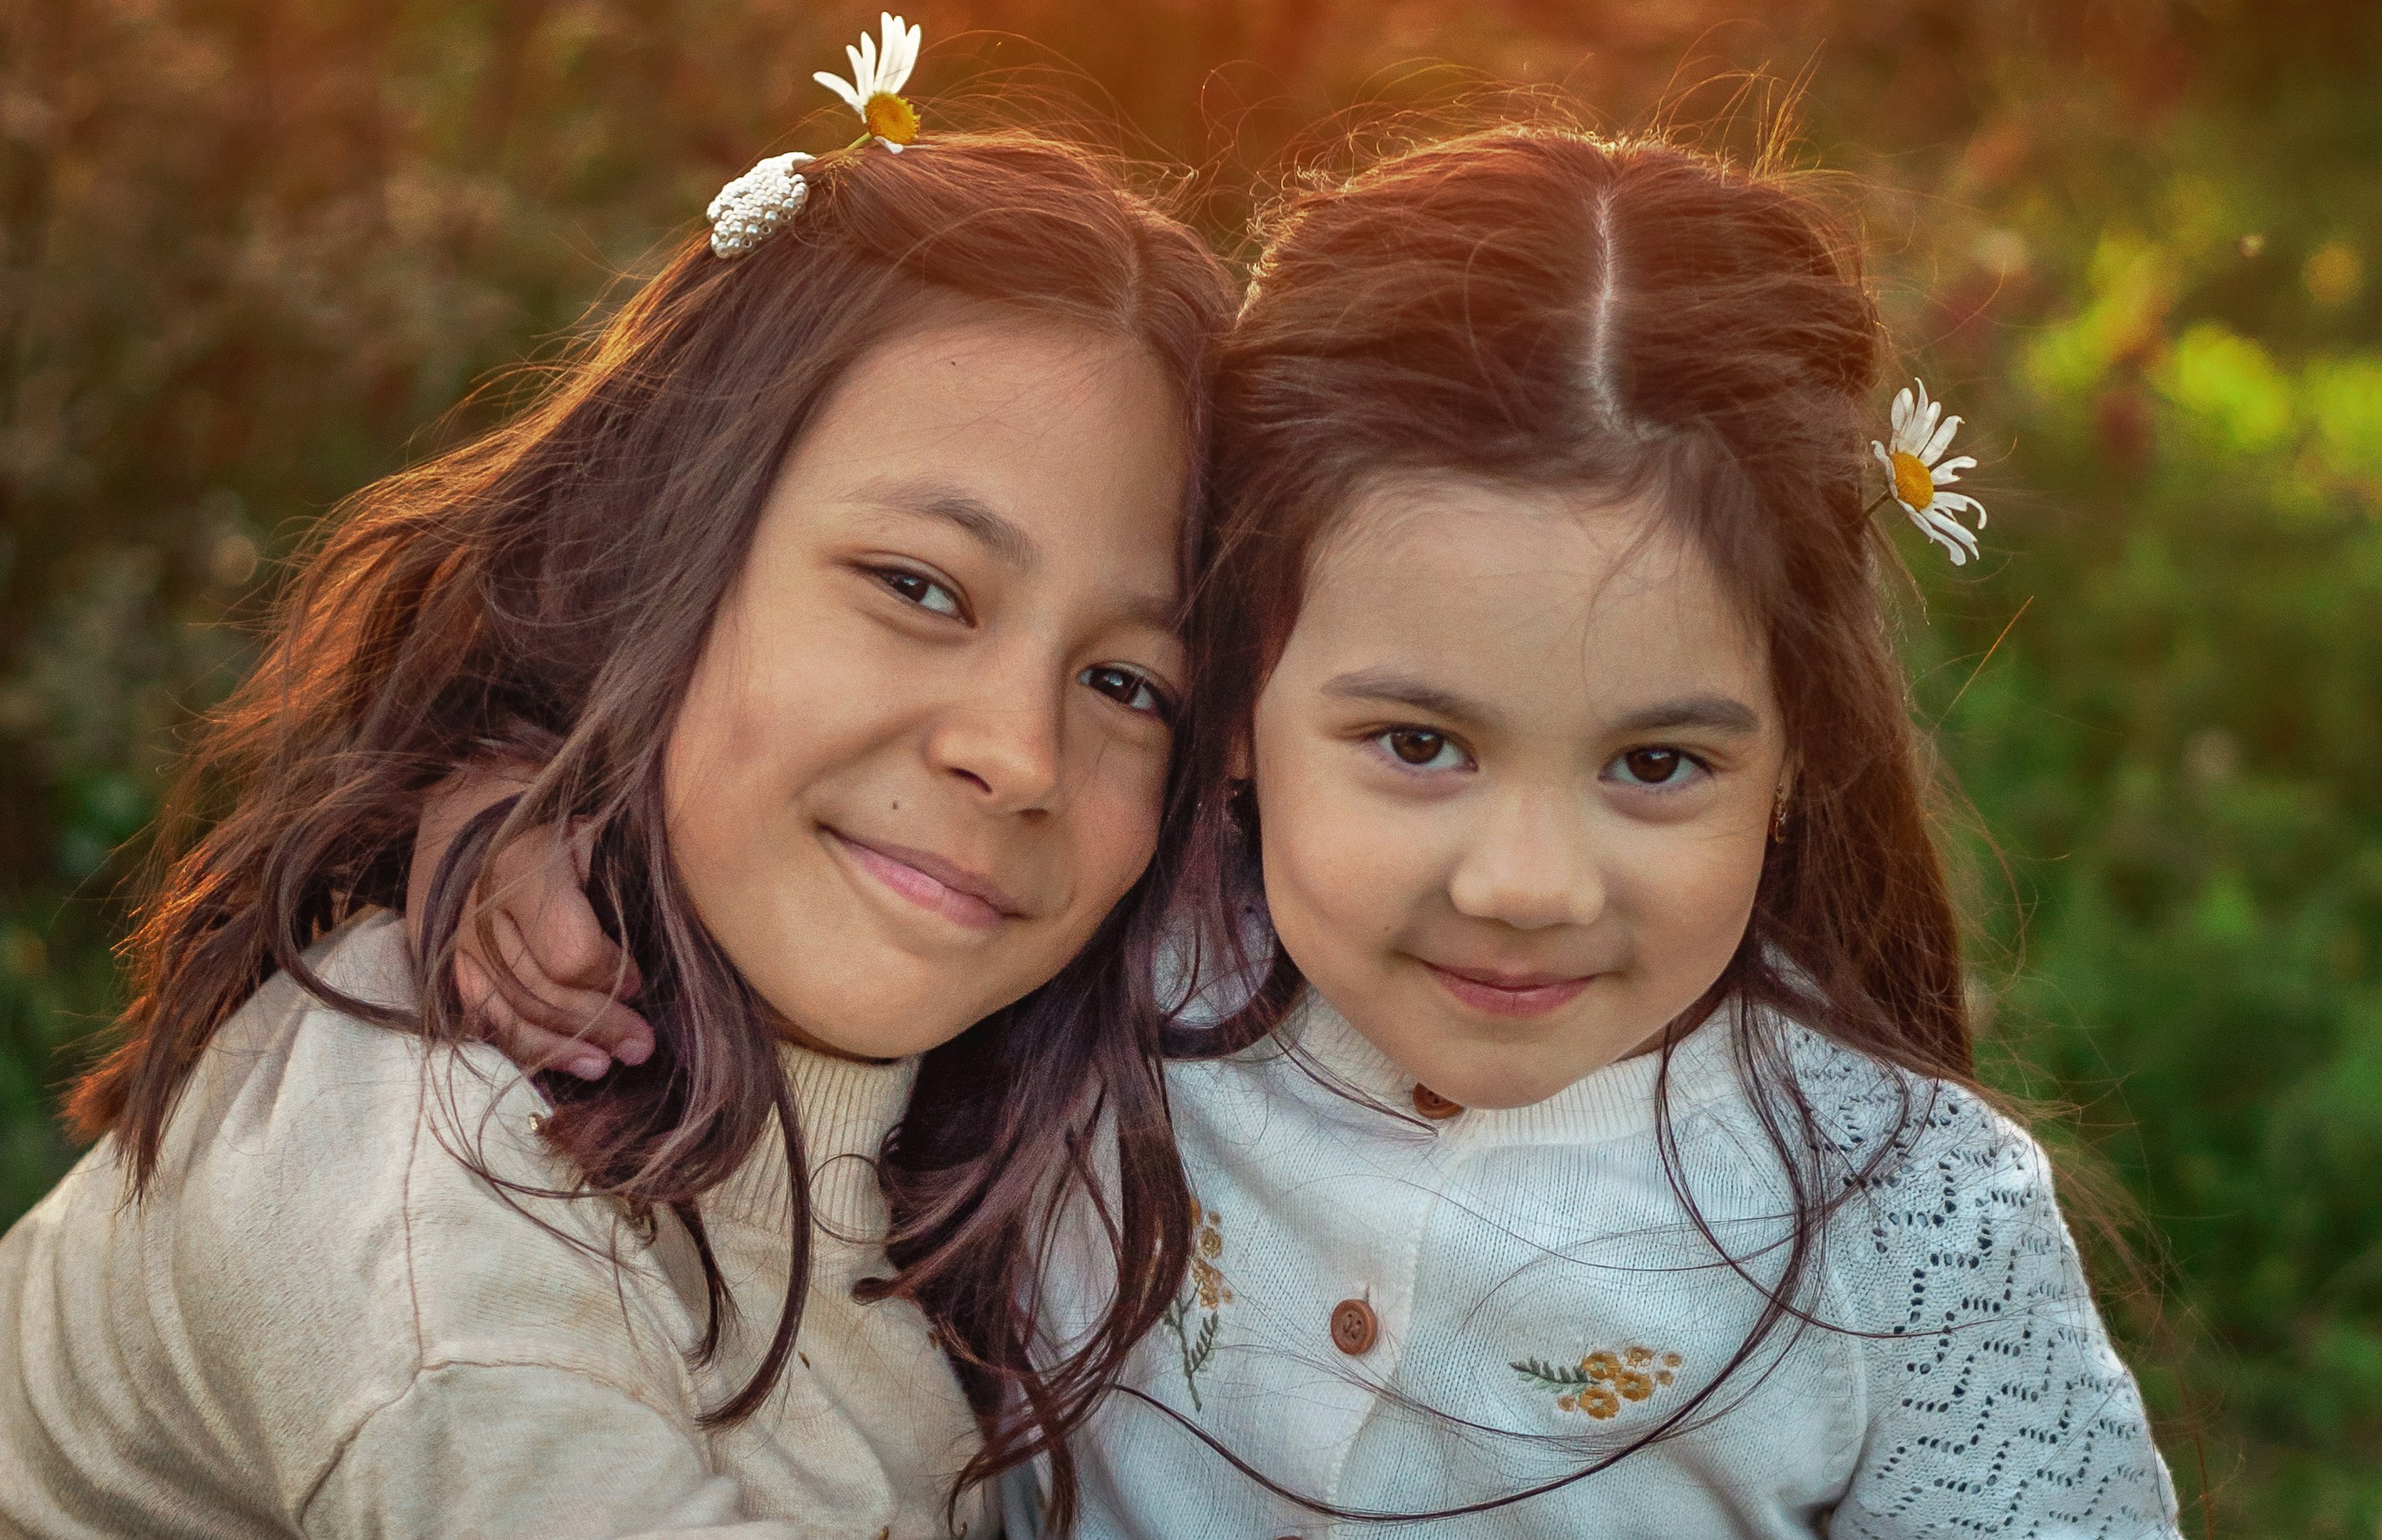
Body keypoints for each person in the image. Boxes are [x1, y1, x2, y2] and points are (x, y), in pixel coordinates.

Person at [448, 125, 2181, 1536]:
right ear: (1237, 706)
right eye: (1418, 743)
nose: (1524, 884)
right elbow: (797, 847)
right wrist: (522, 819)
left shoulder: (1909, 1215)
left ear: (1800, 751)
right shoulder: (1119, 951)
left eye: (1657, 765)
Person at [0, 16, 1234, 1540]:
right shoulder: (427, 1163)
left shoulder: (1051, 1115)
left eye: (1130, 684)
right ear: (661, 553)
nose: (1020, 751)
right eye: (919, 586)